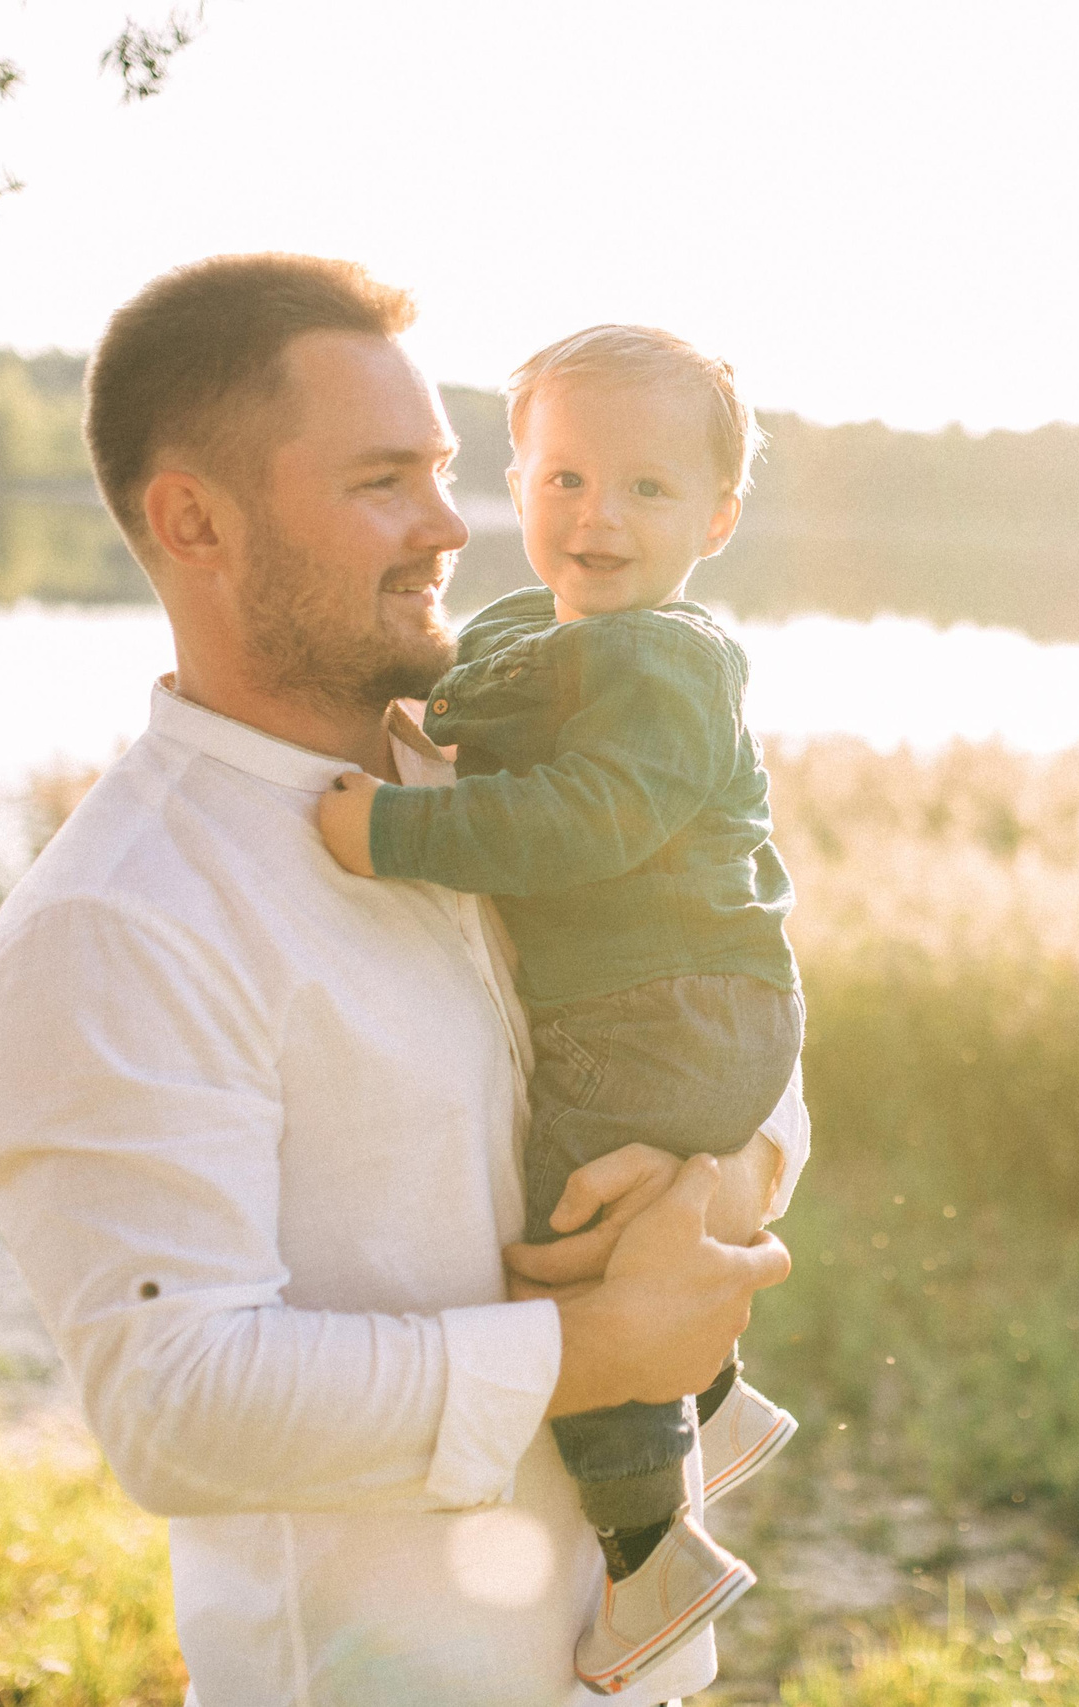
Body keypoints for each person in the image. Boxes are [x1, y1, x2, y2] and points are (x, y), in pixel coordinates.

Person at [0, 253, 800, 1707]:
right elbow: (178, 1408)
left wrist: (710, 1190)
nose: (452, 526)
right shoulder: (117, 926)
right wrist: (592, 1350)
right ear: (192, 520)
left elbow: (731, 1002)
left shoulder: (495, 762)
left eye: (452, 472)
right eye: (381, 483)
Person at [313, 325, 800, 1693]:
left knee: (560, 1228)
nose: (598, 517)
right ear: (516, 485)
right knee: (611, 1219)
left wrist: (399, 835)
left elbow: (586, 821)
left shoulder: (666, 663)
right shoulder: (543, 626)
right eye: (567, 478)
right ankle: (715, 1395)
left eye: (648, 491)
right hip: (662, 1006)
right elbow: (476, 690)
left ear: (717, 517)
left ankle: (653, 1550)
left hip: (680, 1006)